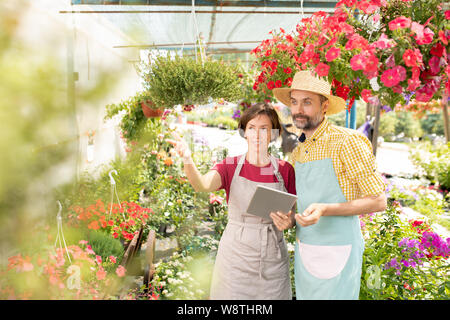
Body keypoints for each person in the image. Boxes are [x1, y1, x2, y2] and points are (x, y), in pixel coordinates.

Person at [270, 70, 387, 300]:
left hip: (339, 249)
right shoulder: (298, 151)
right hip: (306, 251)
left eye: (307, 102)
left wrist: (325, 209)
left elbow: (379, 200)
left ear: (324, 106)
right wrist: (291, 219)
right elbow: (300, 206)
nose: (298, 110)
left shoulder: (347, 141)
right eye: (294, 102)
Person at [167, 102, 296, 300]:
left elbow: (294, 212)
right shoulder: (229, 166)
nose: (257, 134)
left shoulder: (285, 169)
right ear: (244, 132)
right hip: (236, 256)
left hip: (272, 257)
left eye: (264, 129)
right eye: (251, 128)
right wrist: (187, 158)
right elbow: (202, 184)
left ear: (273, 134)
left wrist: (289, 221)